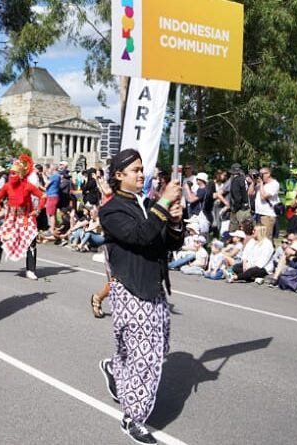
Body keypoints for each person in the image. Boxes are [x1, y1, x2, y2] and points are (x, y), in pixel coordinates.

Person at [97, 149, 184, 445]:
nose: (140, 173)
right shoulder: (110, 210)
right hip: (131, 288)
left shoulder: (147, 205)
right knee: (145, 357)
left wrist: (174, 221)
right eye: (135, 169)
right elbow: (140, 236)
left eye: (142, 168)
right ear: (119, 175)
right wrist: (163, 204)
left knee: (154, 350)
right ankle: (133, 418)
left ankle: (114, 369)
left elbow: (167, 243)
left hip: (155, 287)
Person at [0, 154, 47, 280]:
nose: (11, 175)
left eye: (14, 173)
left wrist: (38, 210)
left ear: (20, 174)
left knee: (31, 241)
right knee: (3, 237)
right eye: (10, 173)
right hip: (11, 217)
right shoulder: (7, 186)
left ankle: (30, 269)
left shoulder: (28, 186)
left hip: (26, 217)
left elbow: (43, 196)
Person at [249, 167, 280, 242]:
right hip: (258, 214)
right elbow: (250, 193)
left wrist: (261, 183)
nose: (260, 176)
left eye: (261, 174)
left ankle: (269, 253)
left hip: (268, 216)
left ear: (268, 174)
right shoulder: (262, 184)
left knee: (266, 238)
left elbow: (263, 196)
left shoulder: (274, 184)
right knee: (258, 237)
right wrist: (253, 182)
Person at [226, 163, 251, 231]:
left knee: (234, 231)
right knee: (246, 230)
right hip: (246, 207)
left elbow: (237, 198)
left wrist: (234, 209)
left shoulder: (236, 181)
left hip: (239, 210)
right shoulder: (243, 179)